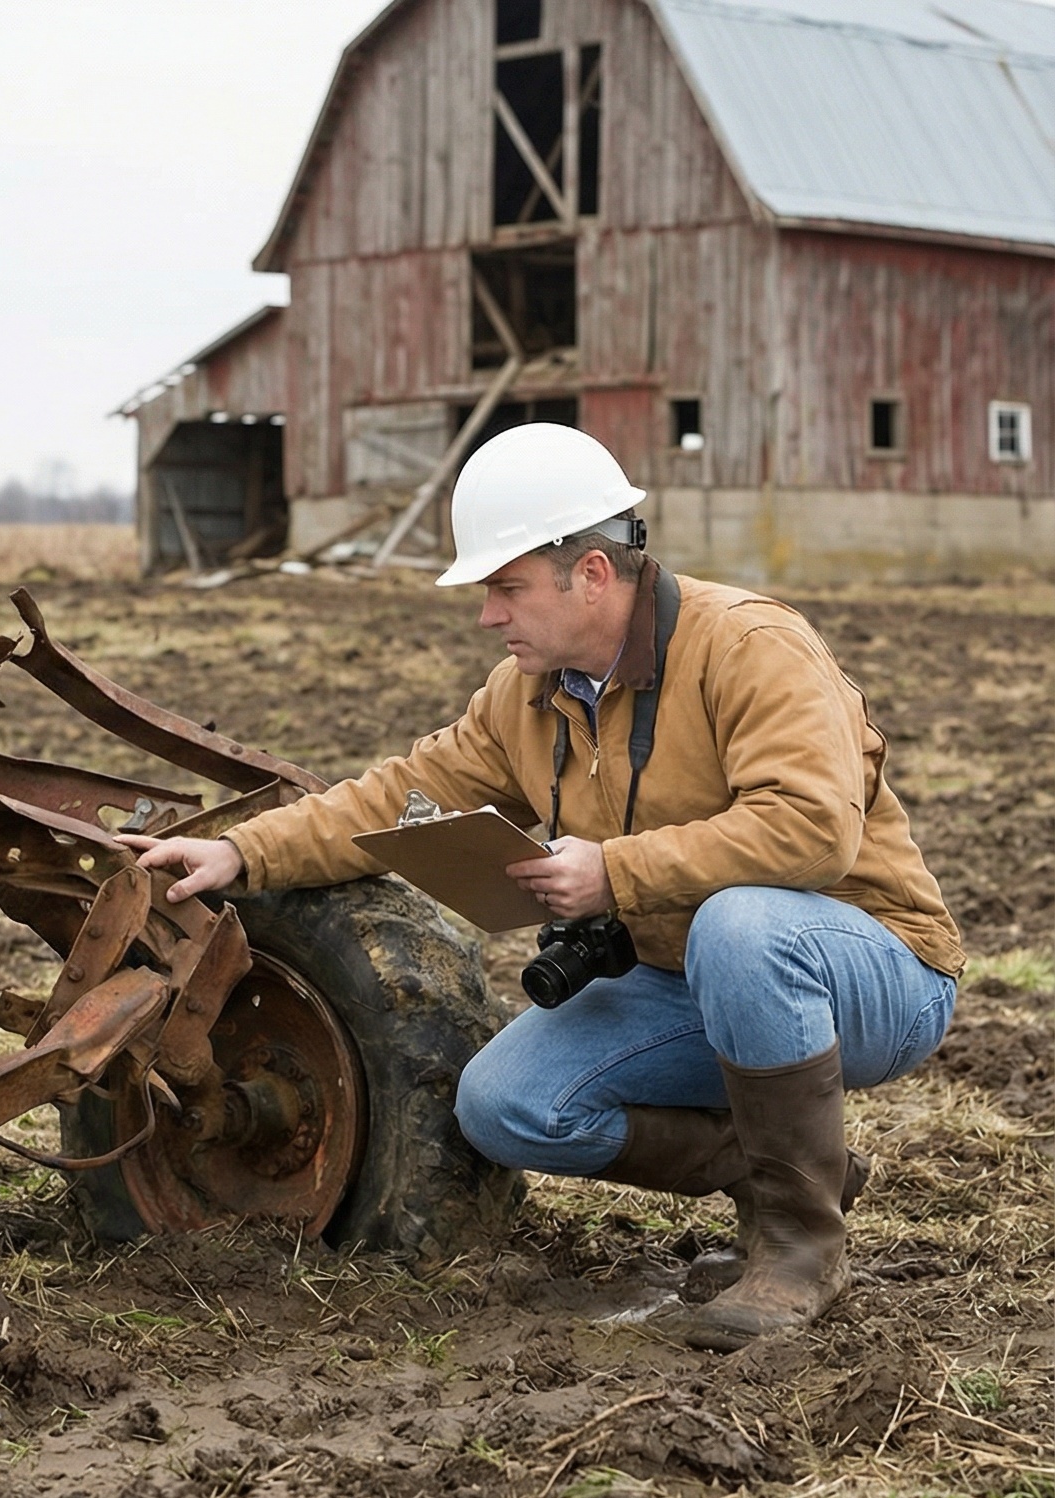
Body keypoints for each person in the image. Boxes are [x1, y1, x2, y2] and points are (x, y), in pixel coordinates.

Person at [129, 423, 960, 1351]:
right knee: (506, 1105)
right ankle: (792, 1168)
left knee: (741, 925)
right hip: (691, 978)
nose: (489, 615)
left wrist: (613, 870)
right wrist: (240, 854)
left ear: (592, 574)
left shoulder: (750, 646)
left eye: (507, 587)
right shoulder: (525, 695)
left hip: (871, 969)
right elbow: (399, 797)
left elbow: (811, 829)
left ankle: (801, 1251)